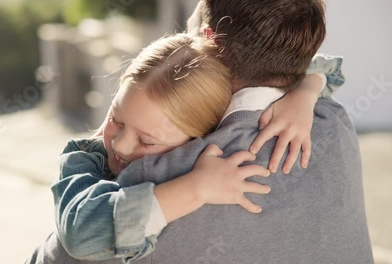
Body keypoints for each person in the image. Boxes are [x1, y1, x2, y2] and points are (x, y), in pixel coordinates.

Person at [27, 0, 373, 263]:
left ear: (209, 39)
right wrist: (308, 88)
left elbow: (66, 245)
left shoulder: (162, 174)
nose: (119, 141)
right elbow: (308, 65)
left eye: (146, 139)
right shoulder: (334, 120)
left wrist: (196, 186)